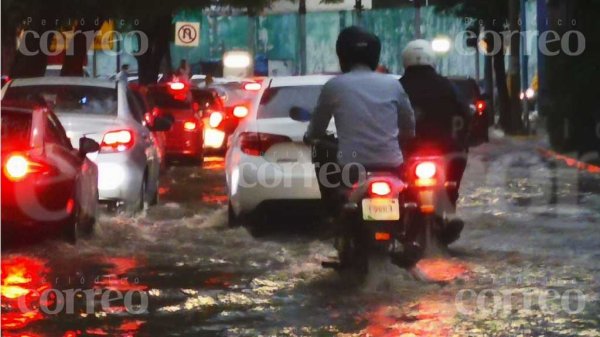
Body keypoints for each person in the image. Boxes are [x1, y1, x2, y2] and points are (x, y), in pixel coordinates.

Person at [305, 26, 415, 215]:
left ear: (342, 55)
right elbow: (408, 123)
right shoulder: (392, 84)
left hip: (352, 167)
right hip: (391, 164)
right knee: (412, 198)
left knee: (335, 190)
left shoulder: (334, 86)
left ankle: (334, 214)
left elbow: (318, 126)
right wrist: (406, 137)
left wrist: (312, 137)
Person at [400, 39, 469, 243]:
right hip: (445, 151)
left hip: (408, 150)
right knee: (454, 176)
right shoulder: (447, 86)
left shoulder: (398, 86)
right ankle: (448, 209)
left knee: (398, 181)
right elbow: (464, 113)